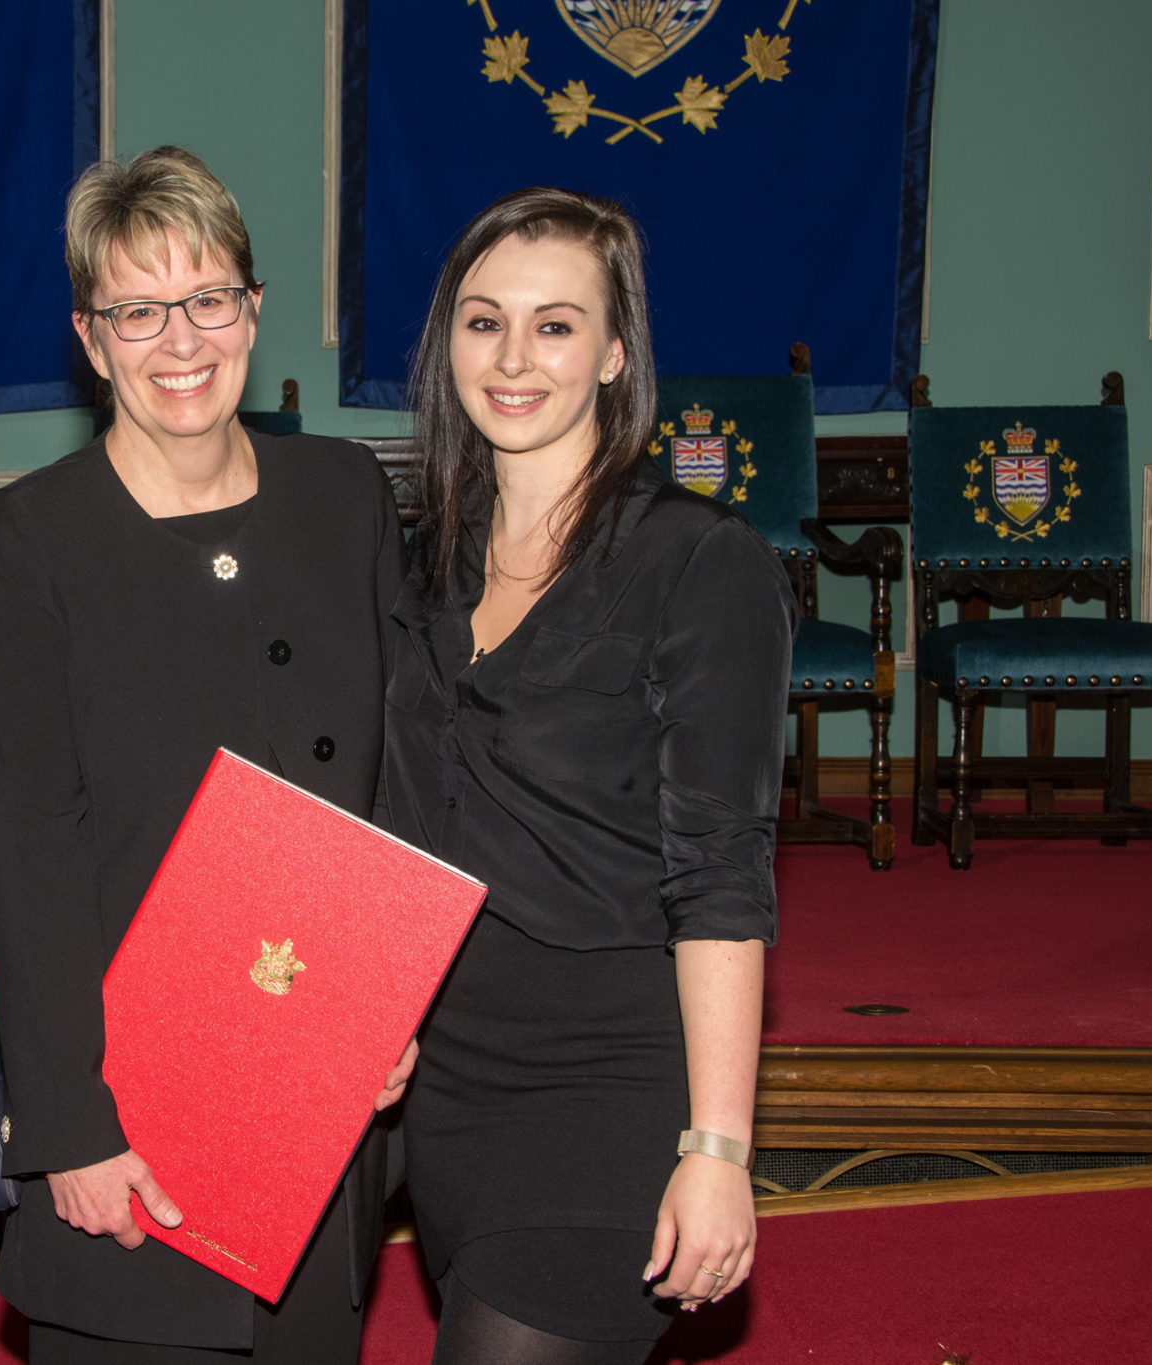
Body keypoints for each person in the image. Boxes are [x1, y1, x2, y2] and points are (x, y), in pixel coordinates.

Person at [0, 146, 412, 1364]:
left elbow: (398, 779)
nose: (180, 341)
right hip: (138, 1102)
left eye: (208, 298)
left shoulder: (344, 495)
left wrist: (393, 998)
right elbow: (32, 855)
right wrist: (69, 1126)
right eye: (137, 311)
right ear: (89, 339)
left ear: (252, 311)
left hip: (321, 1078)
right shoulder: (33, 537)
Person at [379, 187, 796, 1364]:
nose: (512, 358)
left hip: (603, 1075)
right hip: (433, 1074)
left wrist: (716, 1148)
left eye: (554, 325)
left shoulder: (701, 564)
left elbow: (722, 871)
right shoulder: (418, 560)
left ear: (615, 353)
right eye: (482, 322)